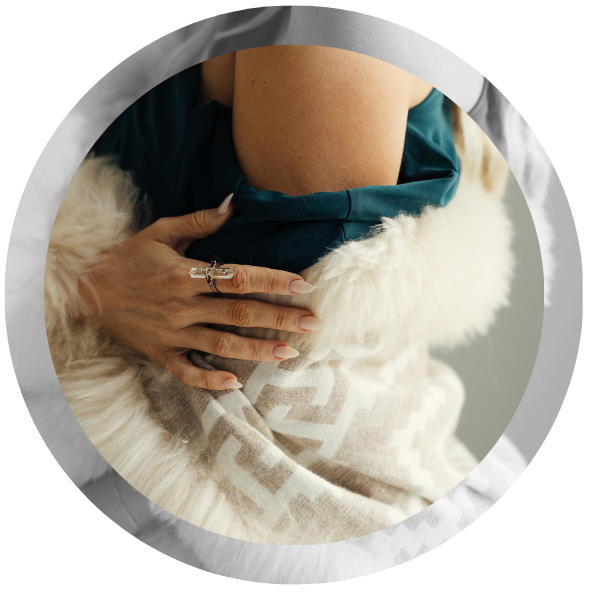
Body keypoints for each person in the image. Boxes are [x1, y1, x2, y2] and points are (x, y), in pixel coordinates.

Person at [39, 7, 546, 562]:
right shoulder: (257, 28)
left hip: (192, 511)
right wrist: (90, 287)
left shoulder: (341, 32)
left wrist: (84, 288)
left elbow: (263, 378)